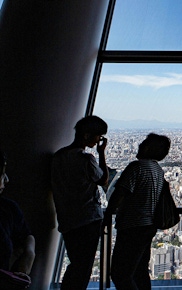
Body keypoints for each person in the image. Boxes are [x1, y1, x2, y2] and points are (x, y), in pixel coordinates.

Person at [106, 133, 171, 290]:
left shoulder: (136, 167)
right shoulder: (158, 170)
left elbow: (119, 194)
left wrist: (107, 214)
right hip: (149, 226)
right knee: (140, 271)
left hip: (131, 227)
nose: (140, 145)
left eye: (144, 143)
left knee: (120, 274)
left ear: (148, 148)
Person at [51, 115, 109, 290]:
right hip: (88, 218)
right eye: (98, 135)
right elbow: (104, 180)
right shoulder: (85, 159)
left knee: (75, 263)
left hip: (67, 219)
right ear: (86, 135)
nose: (99, 139)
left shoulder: (58, 157)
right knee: (83, 267)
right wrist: (101, 154)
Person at [0, 149, 35, 289]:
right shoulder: (7, 209)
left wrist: (29, 254)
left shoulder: (8, 208)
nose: (6, 179)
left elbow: (27, 236)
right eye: (2, 174)